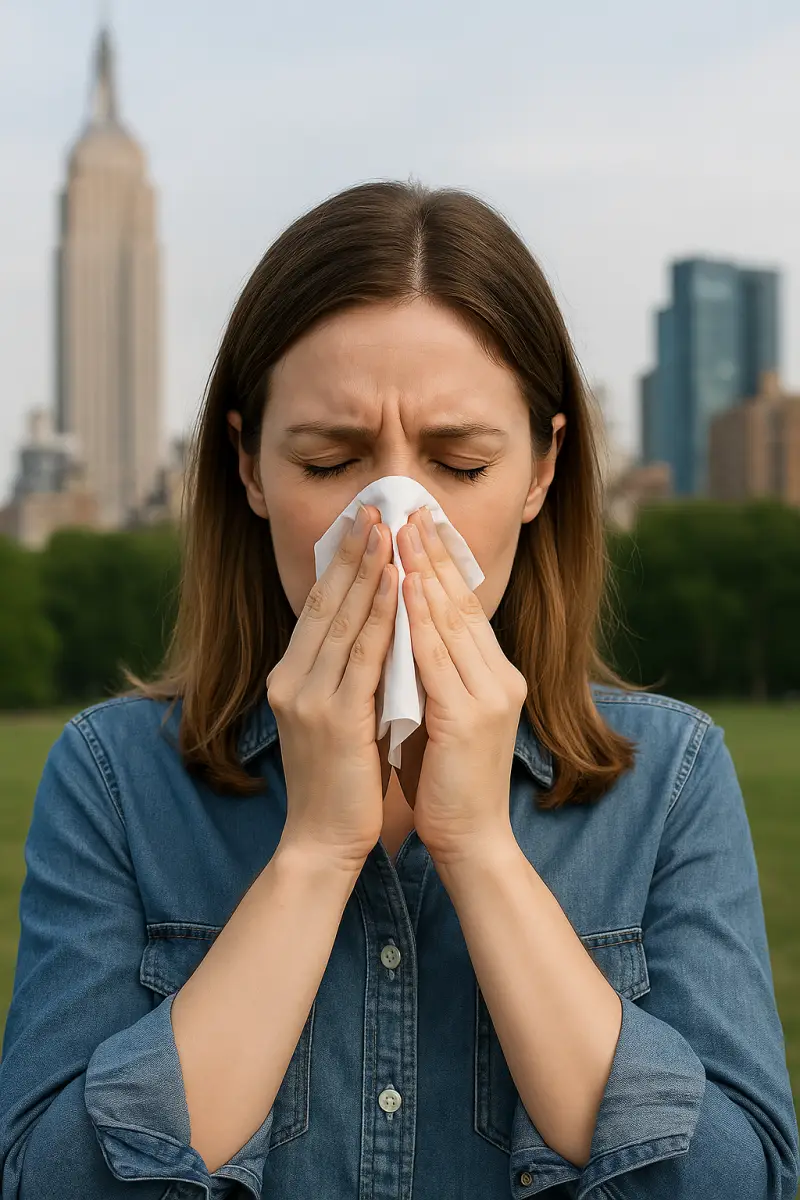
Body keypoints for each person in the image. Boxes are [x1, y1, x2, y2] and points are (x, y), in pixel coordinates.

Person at [0, 180, 797, 1200]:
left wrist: (479, 850)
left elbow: (739, 1181)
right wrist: (315, 852)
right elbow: (50, 1181)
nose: (390, 521)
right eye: (329, 460)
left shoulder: (670, 778)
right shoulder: (114, 777)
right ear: (246, 468)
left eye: (458, 462)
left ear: (542, 472)